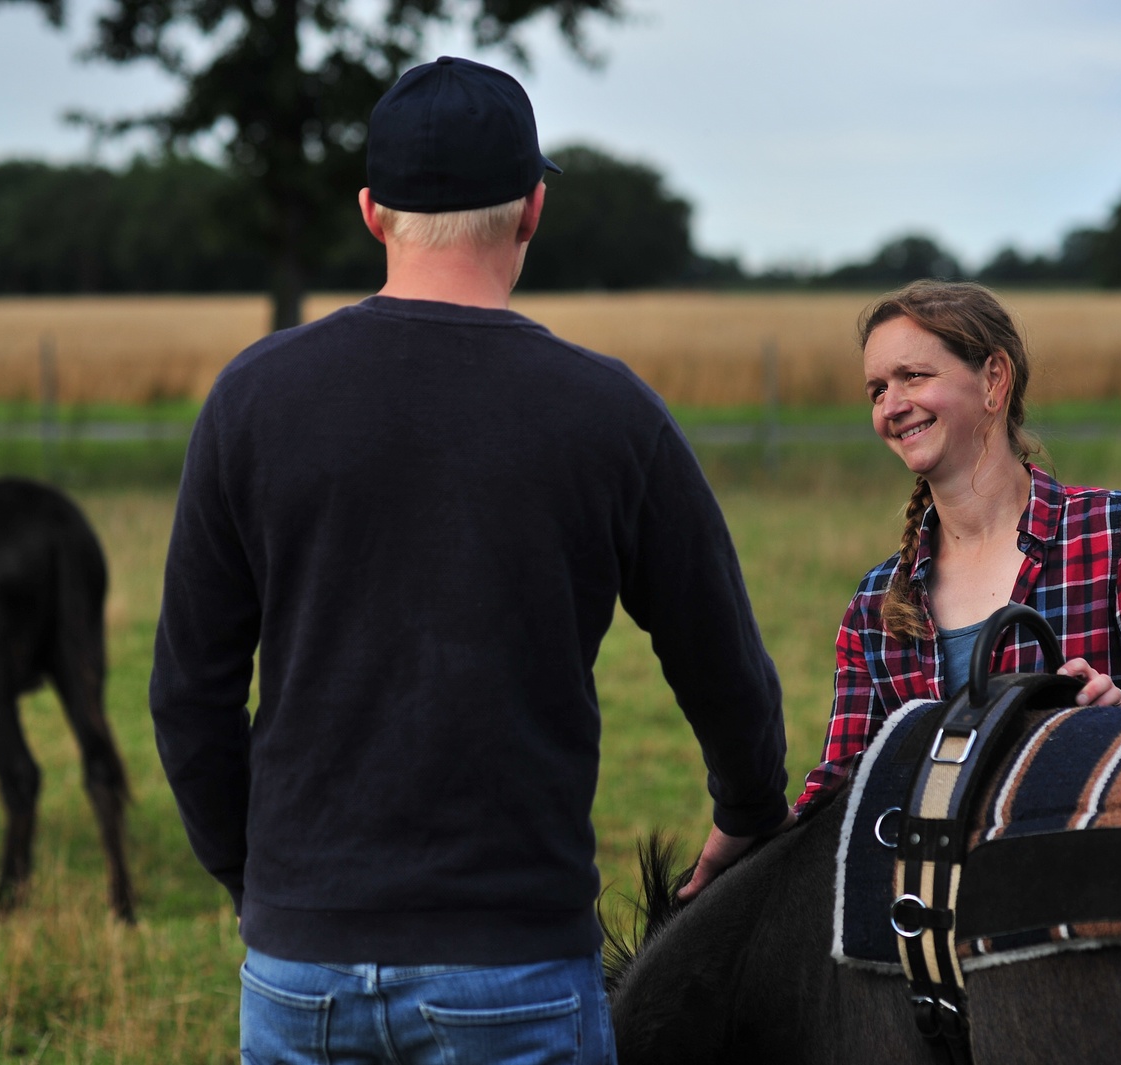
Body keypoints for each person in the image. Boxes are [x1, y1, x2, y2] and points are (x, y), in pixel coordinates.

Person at [150, 55, 792, 1064]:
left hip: (300, 964)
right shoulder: (607, 409)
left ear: (372, 212)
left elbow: (189, 693)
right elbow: (721, 658)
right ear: (532, 209)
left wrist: (260, 883)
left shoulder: (253, 397)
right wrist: (748, 810)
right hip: (515, 962)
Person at [797, 279, 1121, 809]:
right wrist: (746, 834)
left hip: (1097, 873)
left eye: (912, 377)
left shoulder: (1113, 532)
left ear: (994, 379)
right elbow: (838, 794)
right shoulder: (876, 604)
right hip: (940, 889)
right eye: (877, 390)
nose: (892, 405)